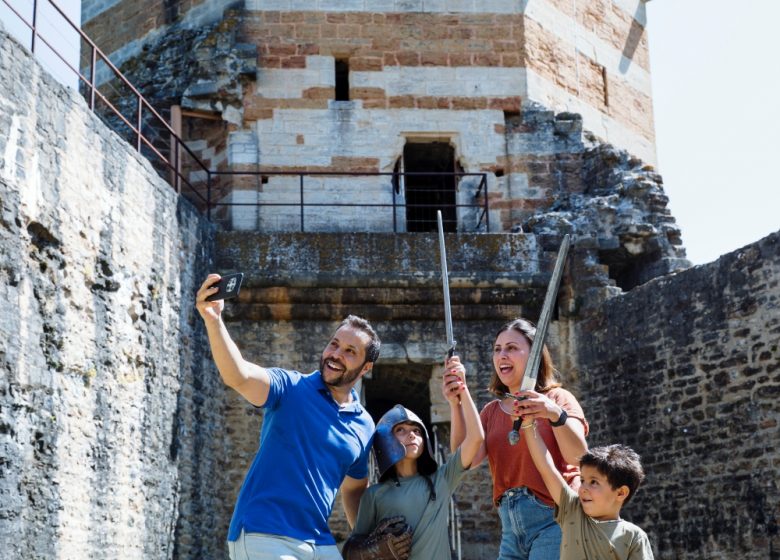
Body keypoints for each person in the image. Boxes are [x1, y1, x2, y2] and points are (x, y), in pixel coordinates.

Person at [196, 274, 379, 560]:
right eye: (334, 344)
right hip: (263, 532)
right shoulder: (289, 387)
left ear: (365, 368)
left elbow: (355, 487)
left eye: (349, 351)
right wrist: (213, 320)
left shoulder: (364, 424)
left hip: (317, 540)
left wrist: (364, 540)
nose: (336, 354)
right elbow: (239, 375)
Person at [451, 318, 589, 560]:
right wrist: (456, 402)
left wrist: (554, 414)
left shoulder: (558, 398)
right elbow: (464, 461)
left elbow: (578, 457)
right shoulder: (491, 412)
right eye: (497, 349)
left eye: (512, 348)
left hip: (555, 519)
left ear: (535, 354)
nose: (502, 355)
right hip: (510, 529)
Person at [343, 356, 484, 560]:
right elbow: (353, 550)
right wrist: (372, 551)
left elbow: (476, 437)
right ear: (385, 441)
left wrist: (462, 391)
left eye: (417, 431)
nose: (411, 435)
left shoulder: (442, 479)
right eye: (401, 429)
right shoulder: (374, 495)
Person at [523, 430, 654, 559]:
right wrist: (529, 424)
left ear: (621, 493)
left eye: (593, 482)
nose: (583, 488)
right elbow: (546, 468)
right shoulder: (572, 510)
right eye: (582, 481)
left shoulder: (634, 537)